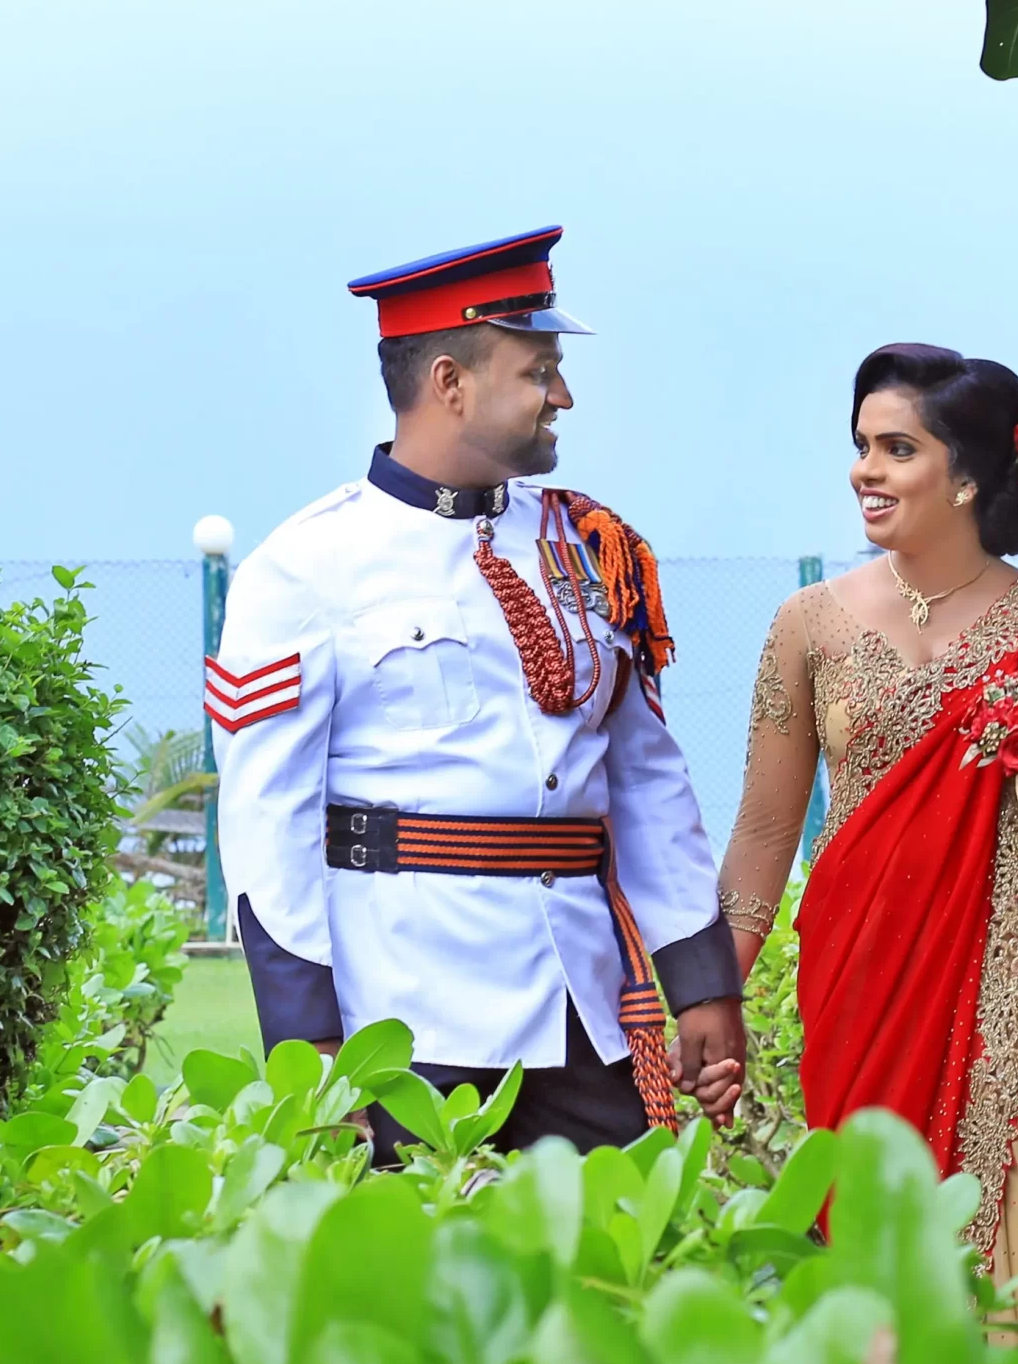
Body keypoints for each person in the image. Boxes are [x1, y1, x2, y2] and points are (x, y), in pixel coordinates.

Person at [209, 224, 745, 1157]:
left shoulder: (589, 546)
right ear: (449, 381)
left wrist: (699, 981)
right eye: (539, 369)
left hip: (580, 1009)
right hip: (405, 1014)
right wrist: (310, 1042)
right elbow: (269, 829)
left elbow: (647, 778)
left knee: (623, 1265)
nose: (564, 394)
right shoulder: (305, 568)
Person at [717, 344, 1018, 1351]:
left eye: (896, 448)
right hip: (865, 981)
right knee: (887, 1289)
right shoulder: (806, 626)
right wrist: (717, 998)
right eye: (860, 447)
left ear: (967, 476)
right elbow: (761, 829)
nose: (864, 470)